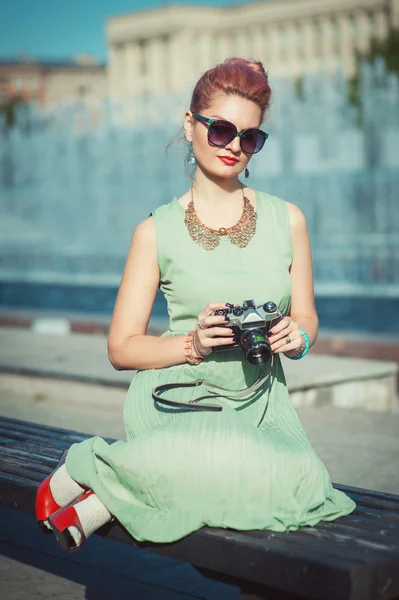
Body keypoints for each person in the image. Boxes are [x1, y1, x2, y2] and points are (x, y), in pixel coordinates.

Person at [35, 57, 356, 552]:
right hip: (176, 397)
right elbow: (121, 348)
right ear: (190, 125)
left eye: (250, 137)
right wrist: (193, 343)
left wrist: (300, 336)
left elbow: (308, 315)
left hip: (259, 402)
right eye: (222, 130)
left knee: (304, 478)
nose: (234, 147)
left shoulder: (288, 219)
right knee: (223, 455)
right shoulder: (154, 231)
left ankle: (101, 490)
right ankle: (96, 466)